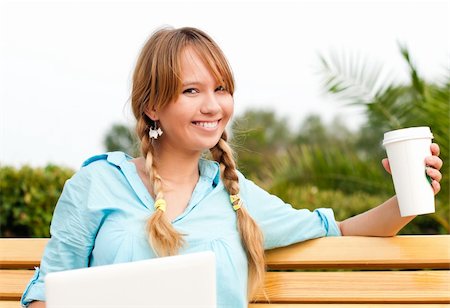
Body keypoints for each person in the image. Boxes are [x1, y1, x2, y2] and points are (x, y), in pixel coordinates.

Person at [21, 26, 443, 308]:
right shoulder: (96, 184)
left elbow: (342, 231)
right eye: (191, 90)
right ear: (152, 106)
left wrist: (410, 193)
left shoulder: (235, 194)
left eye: (220, 89)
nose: (212, 105)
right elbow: (45, 291)